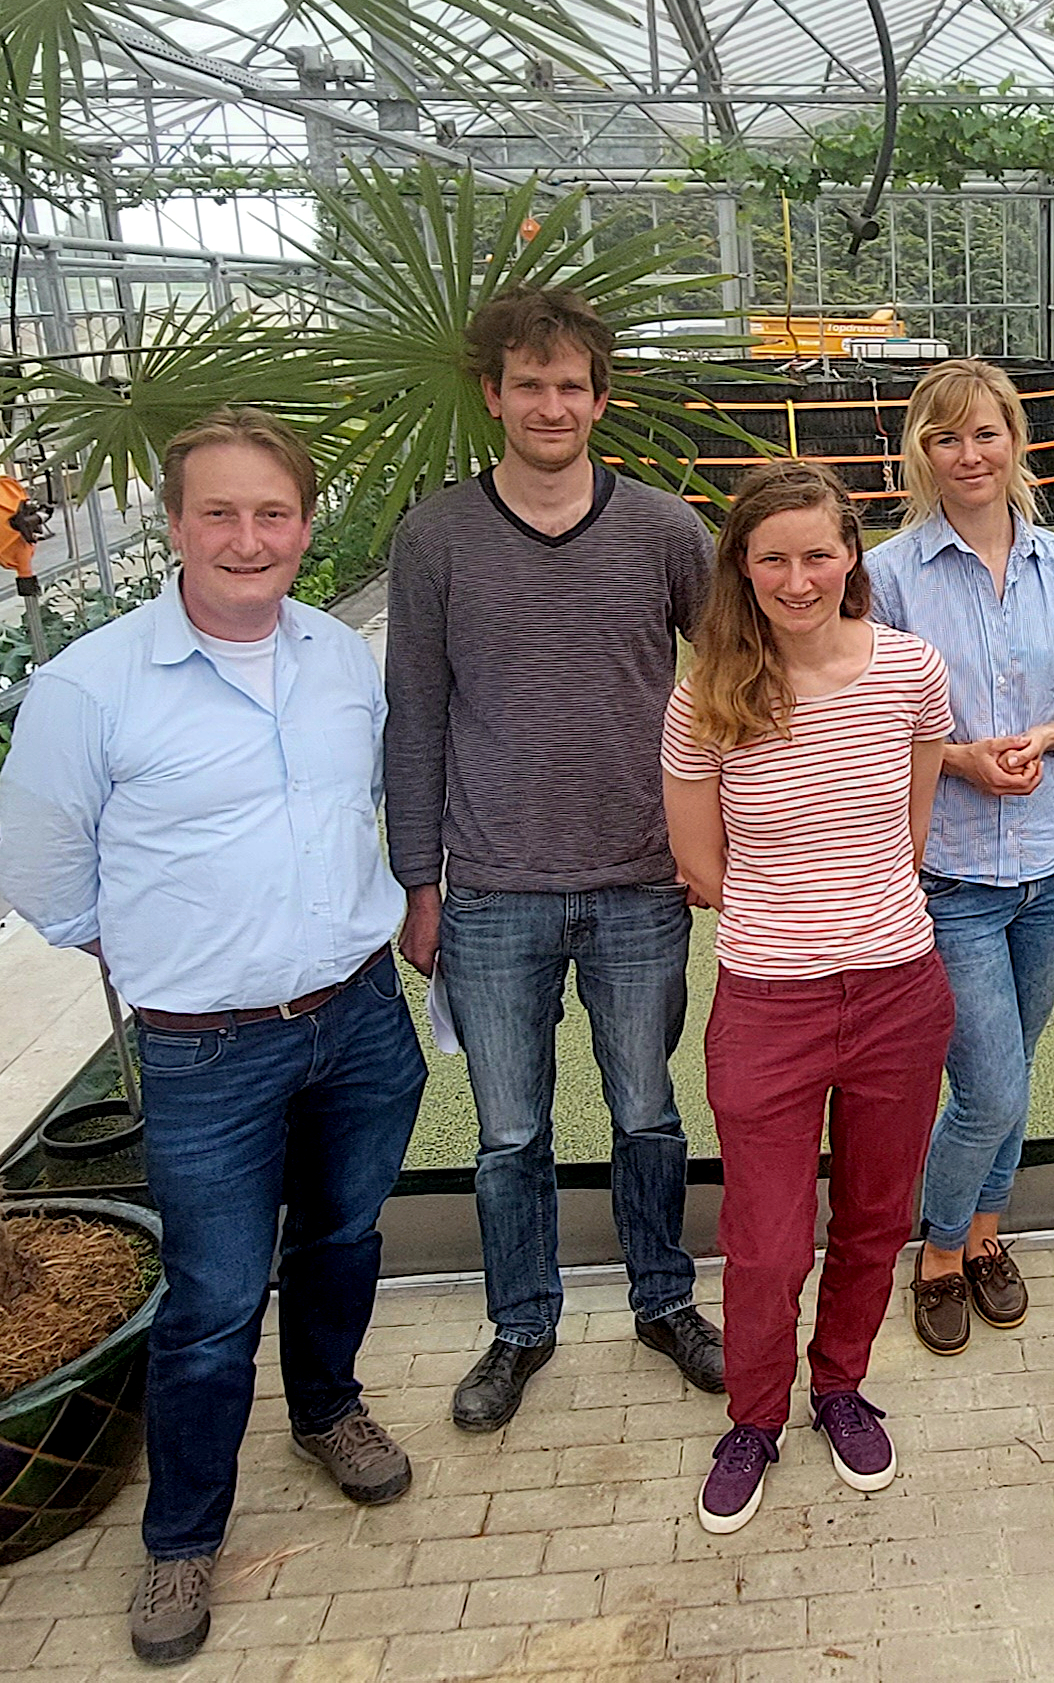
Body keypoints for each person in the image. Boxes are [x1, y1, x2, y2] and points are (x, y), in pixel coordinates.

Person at [0, 411, 426, 1667]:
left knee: (343, 1236)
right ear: (175, 526)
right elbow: (43, 877)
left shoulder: (344, 660)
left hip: (354, 1017)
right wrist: (156, 953)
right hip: (202, 1052)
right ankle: (183, 1539)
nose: (250, 539)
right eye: (221, 514)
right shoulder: (90, 686)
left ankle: (329, 1411)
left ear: (304, 525)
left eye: (273, 514)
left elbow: (372, 806)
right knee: (215, 1298)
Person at [383, 284, 723, 1429]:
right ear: (493, 395)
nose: (549, 404)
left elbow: (733, 682)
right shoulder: (435, 537)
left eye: (569, 386)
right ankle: (519, 1326)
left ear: (599, 399)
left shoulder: (666, 532)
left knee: (646, 1113)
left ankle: (664, 1300)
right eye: (527, 384)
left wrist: (710, 838)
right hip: (490, 891)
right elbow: (415, 713)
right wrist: (419, 885)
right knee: (508, 1133)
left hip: (640, 882)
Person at [662, 461, 954, 1535]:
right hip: (769, 1002)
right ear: (741, 566)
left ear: (850, 558)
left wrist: (860, 908)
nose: (796, 578)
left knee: (877, 1217)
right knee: (770, 1239)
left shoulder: (913, 672)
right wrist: (804, 915)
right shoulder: (707, 694)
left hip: (897, 991)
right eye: (772, 557)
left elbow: (913, 826)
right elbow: (702, 866)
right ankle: (755, 1416)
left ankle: (839, 1387)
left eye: (816, 554)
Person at [866, 359, 1054, 1356]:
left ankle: (985, 1237)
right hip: (953, 876)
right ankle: (934, 1255)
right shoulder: (886, 581)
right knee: (992, 1086)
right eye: (945, 438)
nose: (968, 455)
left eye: (985, 434)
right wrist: (958, 759)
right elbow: (863, 721)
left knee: (1014, 1064)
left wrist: (1048, 739)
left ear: (1016, 442)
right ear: (920, 453)